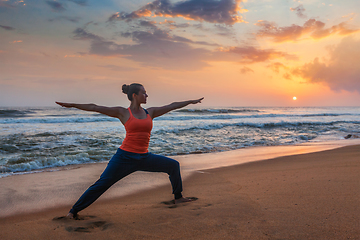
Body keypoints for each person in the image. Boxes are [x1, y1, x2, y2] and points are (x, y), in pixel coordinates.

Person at [56, 83, 203, 219]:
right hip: (124, 158)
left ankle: (178, 197)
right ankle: (73, 211)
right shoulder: (122, 112)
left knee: (173, 165)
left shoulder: (150, 112)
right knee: (102, 184)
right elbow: (95, 107)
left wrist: (190, 102)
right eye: (144, 93)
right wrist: (73, 105)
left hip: (144, 157)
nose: (146, 96)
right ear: (134, 95)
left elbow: (172, 105)